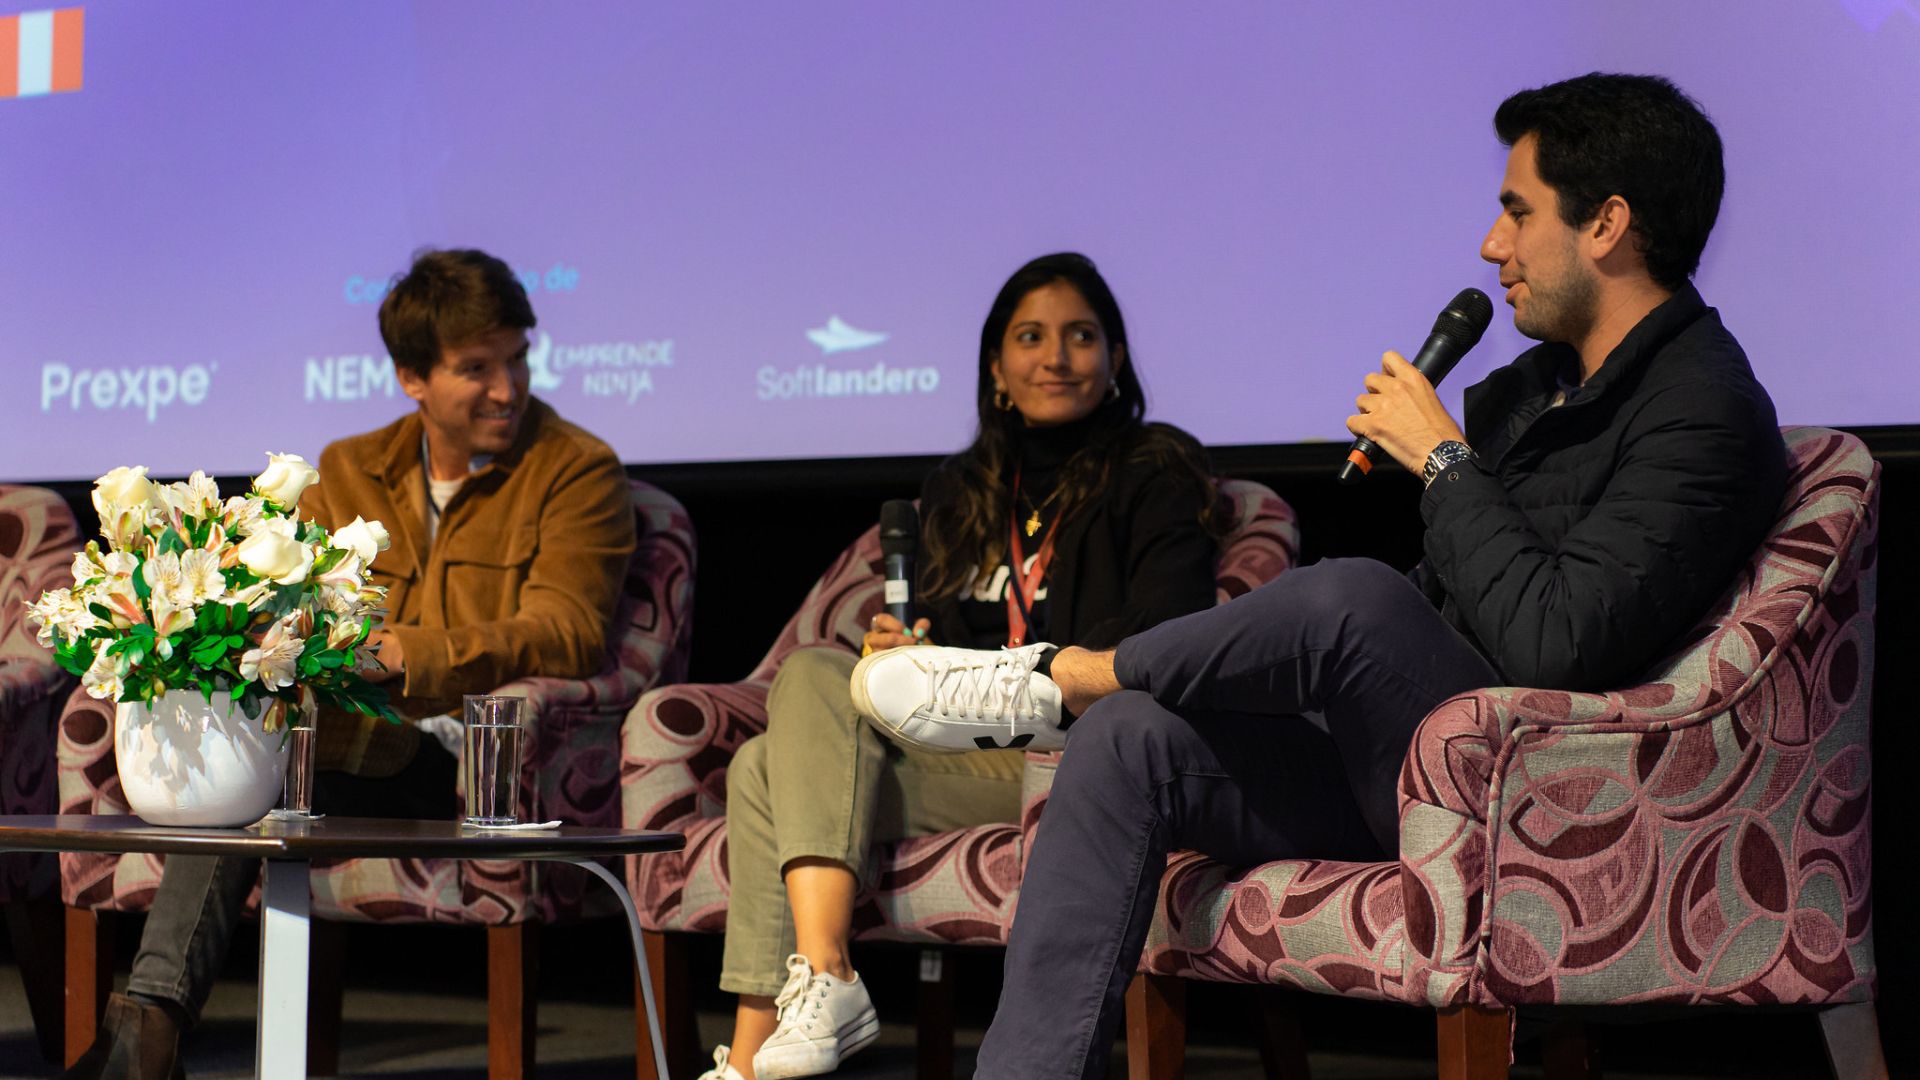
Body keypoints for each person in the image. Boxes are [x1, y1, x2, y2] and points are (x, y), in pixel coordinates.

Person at [853, 74, 1789, 1077]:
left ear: (1607, 224)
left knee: (1355, 597)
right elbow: (1456, 598)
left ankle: (1059, 675)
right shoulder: (1535, 390)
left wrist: (1443, 460)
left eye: (1518, 213)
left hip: (1552, 795)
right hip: (1413, 772)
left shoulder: (1704, 408)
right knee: (1128, 739)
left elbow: (1556, 644)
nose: (1492, 246)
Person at [65, 248, 636, 1079]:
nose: (508, 388)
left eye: (517, 359)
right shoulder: (349, 466)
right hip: (339, 740)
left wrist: (408, 651)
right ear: (413, 377)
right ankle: (148, 1029)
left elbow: (568, 629)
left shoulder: (577, 468)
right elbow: (294, 607)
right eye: (477, 368)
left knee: (254, 767)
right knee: (244, 754)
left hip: (459, 757)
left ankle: (144, 1034)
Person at [699, 253, 1222, 1080]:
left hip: (1067, 753)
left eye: (1082, 336)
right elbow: (938, 634)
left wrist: (1026, 669)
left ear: (1116, 358)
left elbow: (1170, 622)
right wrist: (908, 653)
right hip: (957, 742)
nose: (1057, 357)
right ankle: (816, 989)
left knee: (765, 771)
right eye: (1031, 337)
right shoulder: (963, 488)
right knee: (814, 677)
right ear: (997, 367)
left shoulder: (1156, 468)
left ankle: (780, 1028)